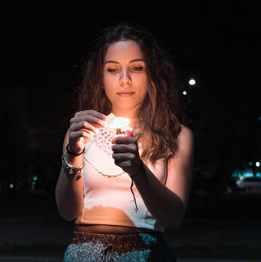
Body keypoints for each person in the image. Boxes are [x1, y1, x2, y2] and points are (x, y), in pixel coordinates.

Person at [55, 23, 194, 261]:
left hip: (146, 253)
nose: (124, 79)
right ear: (100, 77)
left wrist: (138, 170)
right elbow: (67, 212)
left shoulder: (176, 134)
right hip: (83, 252)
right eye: (112, 69)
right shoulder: (81, 132)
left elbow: (174, 217)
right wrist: (73, 154)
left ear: (153, 74)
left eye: (136, 68)